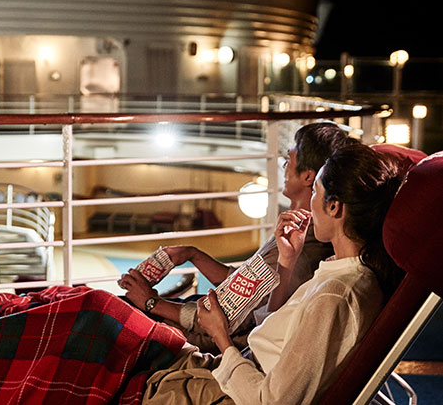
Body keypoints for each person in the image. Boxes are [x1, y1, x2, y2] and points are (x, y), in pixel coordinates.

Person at [134, 144, 404, 405]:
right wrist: (287, 261)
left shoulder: (336, 295)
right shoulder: (341, 270)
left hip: (232, 389)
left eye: (316, 191)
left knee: (119, 347)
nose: (311, 202)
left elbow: (272, 400)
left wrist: (220, 335)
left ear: (334, 207)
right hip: (237, 368)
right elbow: (274, 333)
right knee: (113, 321)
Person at [120, 122, 350, 352]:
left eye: (289, 159)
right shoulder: (296, 231)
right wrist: (193, 254)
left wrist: (151, 302)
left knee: (109, 309)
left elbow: (222, 321)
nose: (284, 166)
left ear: (308, 176)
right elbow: (244, 288)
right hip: (200, 321)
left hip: (200, 342)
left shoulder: (299, 247)